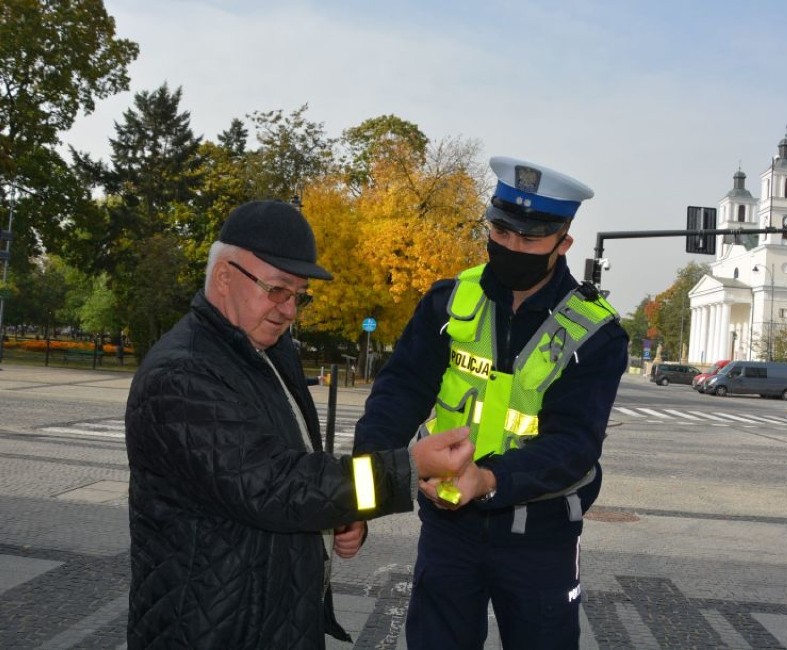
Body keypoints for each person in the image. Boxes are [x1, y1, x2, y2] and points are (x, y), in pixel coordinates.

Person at [125, 199, 476, 649]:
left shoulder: (264, 351)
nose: (289, 310)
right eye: (277, 290)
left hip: (268, 618)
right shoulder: (182, 375)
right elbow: (274, 487)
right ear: (224, 276)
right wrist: (407, 469)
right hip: (212, 629)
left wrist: (345, 511)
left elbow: (299, 468)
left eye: (298, 296)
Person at [353, 157, 629, 649]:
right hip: (448, 530)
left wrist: (488, 479)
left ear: (562, 242)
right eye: (501, 231)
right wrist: (359, 497)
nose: (511, 246)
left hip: (541, 538)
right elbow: (396, 397)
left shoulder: (596, 333)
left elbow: (574, 444)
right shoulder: (448, 302)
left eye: (529, 239)